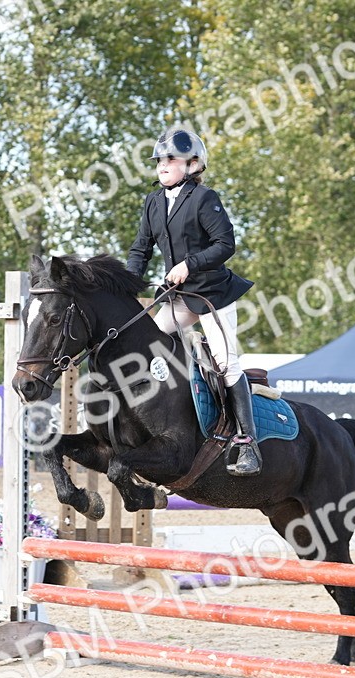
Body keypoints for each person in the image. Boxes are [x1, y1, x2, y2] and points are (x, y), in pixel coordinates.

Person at [125, 127, 260, 477]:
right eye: (160, 160)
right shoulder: (153, 201)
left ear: (193, 164)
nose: (162, 165)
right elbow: (141, 249)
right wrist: (126, 283)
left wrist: (190, 264)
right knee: (147, 342)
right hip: (178, 297)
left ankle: (248, 444)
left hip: (213, 295)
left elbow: (225, 244)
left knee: (225, 362)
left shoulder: (204, 198)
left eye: (171, 159)